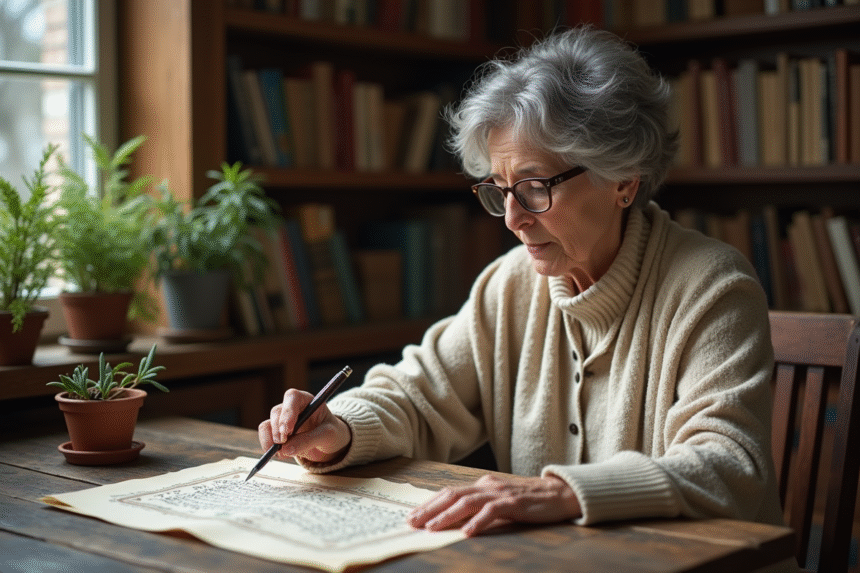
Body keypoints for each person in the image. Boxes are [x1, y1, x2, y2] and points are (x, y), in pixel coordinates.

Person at [259, 25, 789, 564]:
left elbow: (729, 465)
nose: (512, 218)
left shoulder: (712, 287)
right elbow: (420, 396)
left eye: (535, 188)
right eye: (499, 189)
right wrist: (339, 428)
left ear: (623, 179)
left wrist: (563, 492)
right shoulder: (509, 285)